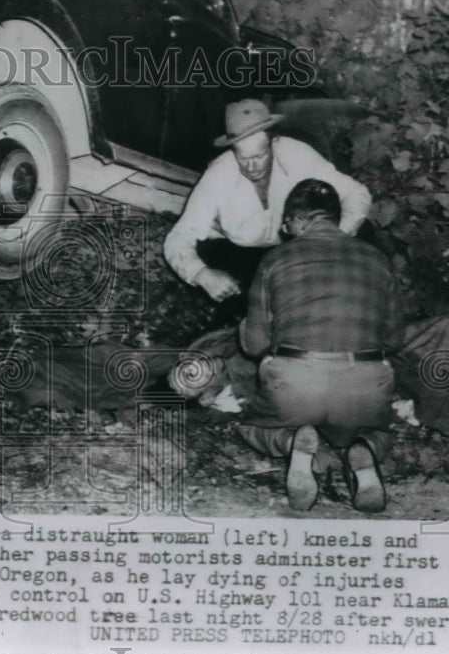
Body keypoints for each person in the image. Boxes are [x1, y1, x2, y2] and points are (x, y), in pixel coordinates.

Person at [235, 179, 402, 513]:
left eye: (287, 224)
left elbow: (255, 346)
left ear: (297, 219)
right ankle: (365, 447)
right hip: (363, 387)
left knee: (250, 425)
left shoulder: (274, 259)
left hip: (296, 384)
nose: (286, 230)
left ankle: (291, 441)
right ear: (335, 217)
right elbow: (395, 340)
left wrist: (246, 328)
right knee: (381, 428)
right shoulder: (378, 259)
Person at [164, 99, 372, 313]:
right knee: (248, 300)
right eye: (243, 158)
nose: (252, 167)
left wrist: (336, 236)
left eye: (259, 156)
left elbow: (356, 193)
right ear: (233, 150)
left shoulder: (297, 153)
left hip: (297, 246)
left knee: (364, 232)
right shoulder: (218, 175)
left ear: (273, 142)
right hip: (243, 256)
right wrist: (202, 275)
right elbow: (178, 237)